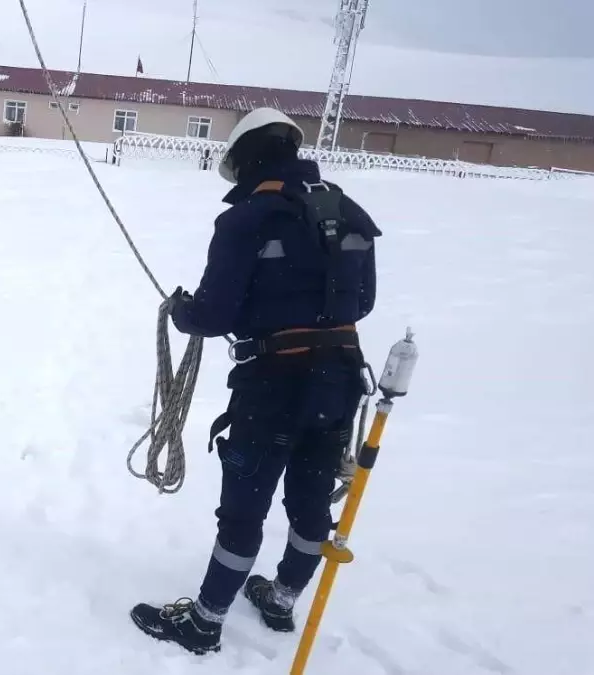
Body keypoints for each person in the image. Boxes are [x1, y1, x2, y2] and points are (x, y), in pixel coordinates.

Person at [129, 108, 381, 655]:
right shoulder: (349, 212)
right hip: (338, 383)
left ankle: (204, 622)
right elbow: (362, 302)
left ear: (244, 159)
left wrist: (183, 312)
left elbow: (214, 313)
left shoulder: (246, 219)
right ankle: (281, 600)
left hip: (273, 388)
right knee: (311, 502)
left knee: (245, 508)